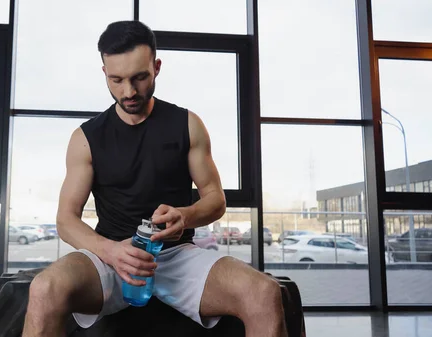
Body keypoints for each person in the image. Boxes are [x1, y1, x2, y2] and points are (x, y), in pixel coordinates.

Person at [22, 20, 287, 337]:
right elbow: (66, 220)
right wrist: (111, 252)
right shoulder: (85, 137)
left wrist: (185, 215)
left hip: (176, 257)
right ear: (104, 72)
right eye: (116, 80)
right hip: (110, 258)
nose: (129, 91)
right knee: (44, 289)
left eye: (139, 78)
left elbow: (216, 199)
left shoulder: (188, 124)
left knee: (263, 292)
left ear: (156, 67)